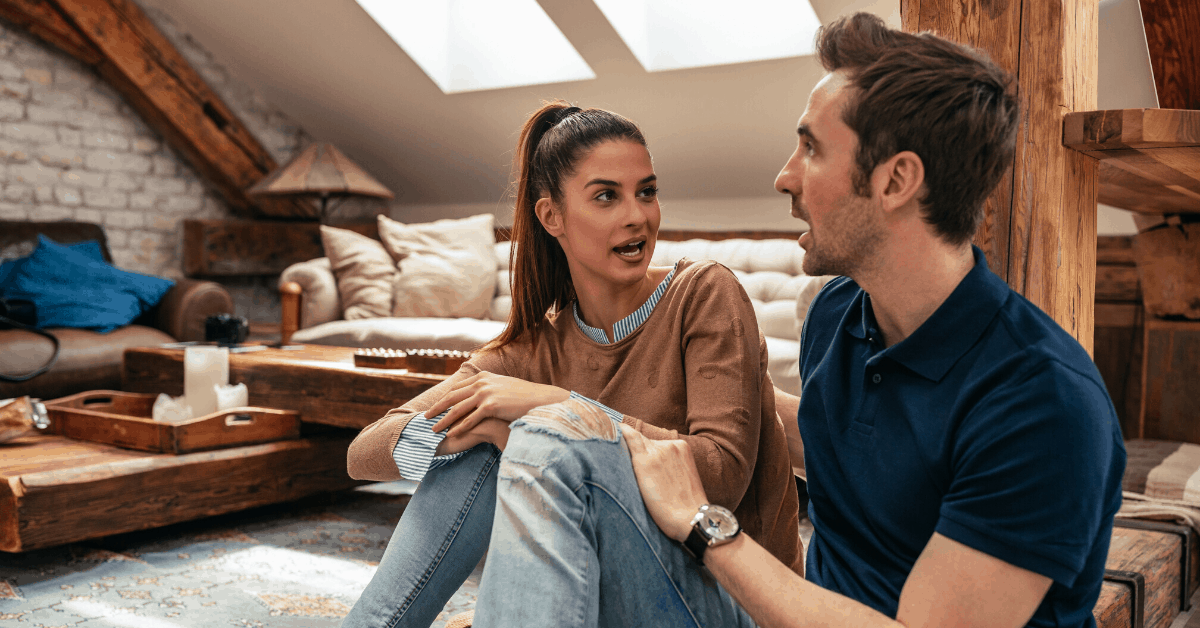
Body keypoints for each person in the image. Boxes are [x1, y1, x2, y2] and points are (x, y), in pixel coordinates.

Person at [463, 13, 1126, 628]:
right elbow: (837, 440)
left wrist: (702, 523)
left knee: (556, 444)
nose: (784, 177)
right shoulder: (840, 314)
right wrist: (654, 375)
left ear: (896, 182)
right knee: (546, 448)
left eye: (810, 149)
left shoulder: (1044, 404)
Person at [340, 101, 804, 627]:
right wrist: (471, 430)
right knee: (483, 441)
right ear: (551, 216)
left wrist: (561, 408)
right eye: (607, 196)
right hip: (604, 597)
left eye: (646, 192)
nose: (638, 215)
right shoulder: (533, 350)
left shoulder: (703, 292)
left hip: (735, 602)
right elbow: (364, 453)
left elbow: (721, 477)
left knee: (540, 434)